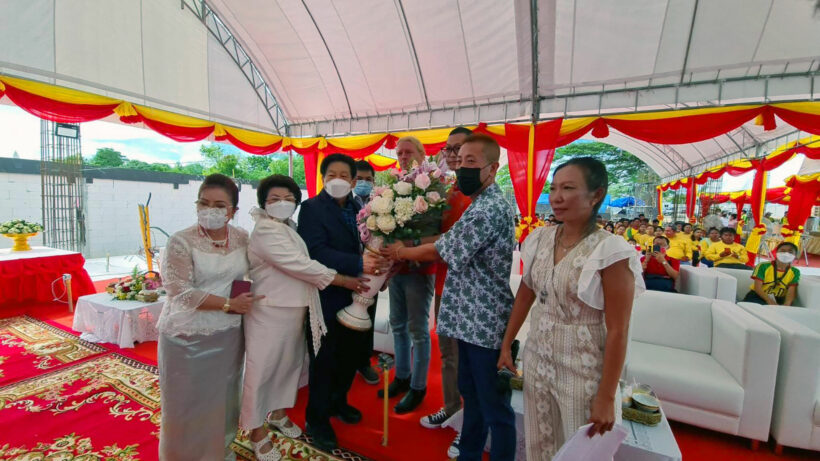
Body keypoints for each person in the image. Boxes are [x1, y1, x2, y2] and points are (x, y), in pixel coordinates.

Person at [497, 157, 644, 460]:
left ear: (596, 195)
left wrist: (606, 395)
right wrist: (506, 344)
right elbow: (525, 295)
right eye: (553, 188)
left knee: (580, 452)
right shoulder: (539, 238)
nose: (556, 197)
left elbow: (619, 329)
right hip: (538, 358)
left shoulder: (610, 250)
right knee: (540, 442)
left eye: (568, 188)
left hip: (583, 369)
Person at [382, 134, 516, 460]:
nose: (462, 168)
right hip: (467, 321)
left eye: (472, 162)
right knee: (472, 393)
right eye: (459, 160)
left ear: (492, 168)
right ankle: (469, 451)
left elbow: (445, 248)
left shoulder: (490, 209)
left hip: (483, 324)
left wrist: (403, 249)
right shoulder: (478, 203)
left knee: (494, 407)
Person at [242, 175, 370, 461]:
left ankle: (276, 412)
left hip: (295, 309)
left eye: (288, 199)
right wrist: (343, 280)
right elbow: (301, 266)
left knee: (288, 366)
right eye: (274, 199)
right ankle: (255, 430)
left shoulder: (290, 227)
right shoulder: (265, 230)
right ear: (263, 203)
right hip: (269, 311)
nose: (282, 204)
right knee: (261, 370)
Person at [158, 174, 260, 460]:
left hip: (228, 334)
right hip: (187, 336)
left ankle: (218, 451)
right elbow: (179, 292)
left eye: (219, 205)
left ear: (233, 211)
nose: (210, 210)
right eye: (204, 203)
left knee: (222, 400)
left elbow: (252, 272)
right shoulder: (181, 240)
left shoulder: (241, 236)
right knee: (186, 404)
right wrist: (228, 304)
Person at [297, 154, 389, 451]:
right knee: (325, 360)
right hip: (328, 295)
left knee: (352, 356)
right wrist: (358, 262)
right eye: (331, 174)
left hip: (361, 293)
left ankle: (338, 403)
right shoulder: (311, 209)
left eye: (344, 175)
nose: (337, 179)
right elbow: (315, 250)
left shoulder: (360, 207)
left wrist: (379, 269)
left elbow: (368, 243)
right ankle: (317, 419)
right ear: (323, 178)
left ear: (353, 180)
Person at [379, 136, 439, 414]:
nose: (402, 156)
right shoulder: (392, 184)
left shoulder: (435, 185)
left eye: (408, 151)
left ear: (422, 153)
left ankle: (418, 386)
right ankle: (401, 377)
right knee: (397, 324)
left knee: (417, 330)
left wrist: (411, 245)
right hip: (397, 268)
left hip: (419, 269)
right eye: (399, 152)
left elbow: (440, 234)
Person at [422, 127, 473, 456]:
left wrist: (408, 247)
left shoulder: (480, 193)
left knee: (471, 360)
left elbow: (454, 245)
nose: (452, 154)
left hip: (471, 291)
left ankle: (470, 426)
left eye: (460, 149)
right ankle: (453, 408)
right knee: (450, 355)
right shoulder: (444, 189)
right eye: (448, 149)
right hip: (444, 286)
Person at [352, 160, 380, 385]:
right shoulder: (344, 203)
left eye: (368, 179)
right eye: (359, 179)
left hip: (373, 273)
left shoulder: (382, 203)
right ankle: (346, 363)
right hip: (347, 271)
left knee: (368, 318)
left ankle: (364, 362)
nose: (363, 183)